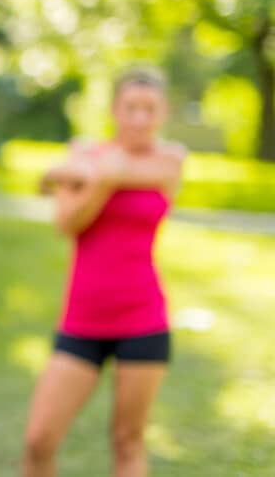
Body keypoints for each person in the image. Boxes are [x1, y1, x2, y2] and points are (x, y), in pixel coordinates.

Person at [22, 67, 186, 477]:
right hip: (82, 319)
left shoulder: (168, 161)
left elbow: (146, 173)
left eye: (149, 109)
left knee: (127, 441)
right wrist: (101, 181)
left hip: (143, 317)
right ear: (115, 109)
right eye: (131, 108)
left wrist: (79, 171)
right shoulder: (90, 160)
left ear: (163, 112)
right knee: (38, 440)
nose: (140, 119)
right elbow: (67, 224)